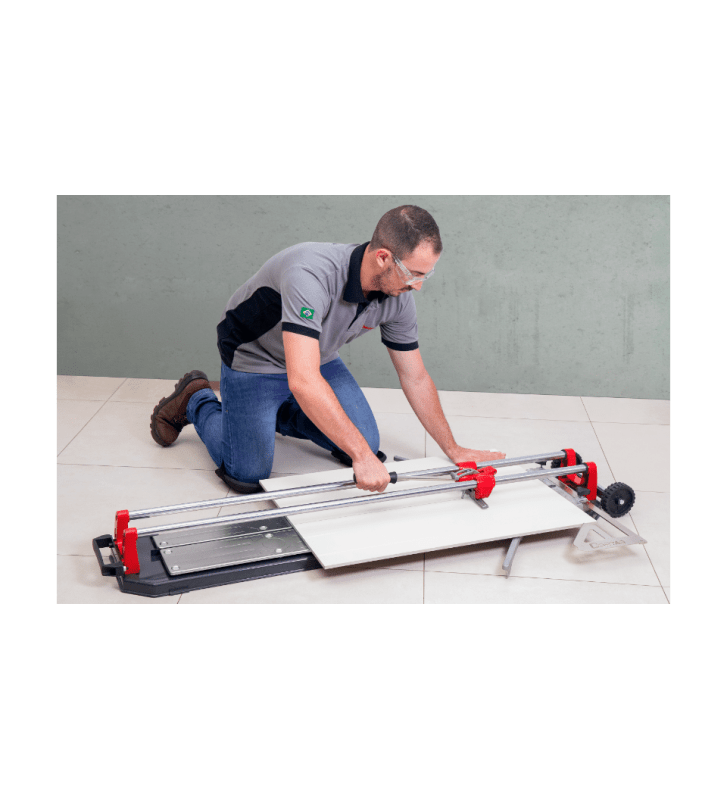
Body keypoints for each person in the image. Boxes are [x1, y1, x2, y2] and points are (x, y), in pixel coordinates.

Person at [150, 205, 504, 493]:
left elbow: (415, 376)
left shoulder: (398, 296)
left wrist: (453, 449)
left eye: (425, 275)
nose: (419, 286)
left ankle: (276, 413)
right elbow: (303, 380)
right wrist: (361, 457)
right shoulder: (311, 274)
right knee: (247, 476)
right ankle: (197, 400)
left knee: (367, 443)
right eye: (414, 274)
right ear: (383, 257)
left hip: (314, 356)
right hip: (254, 357)